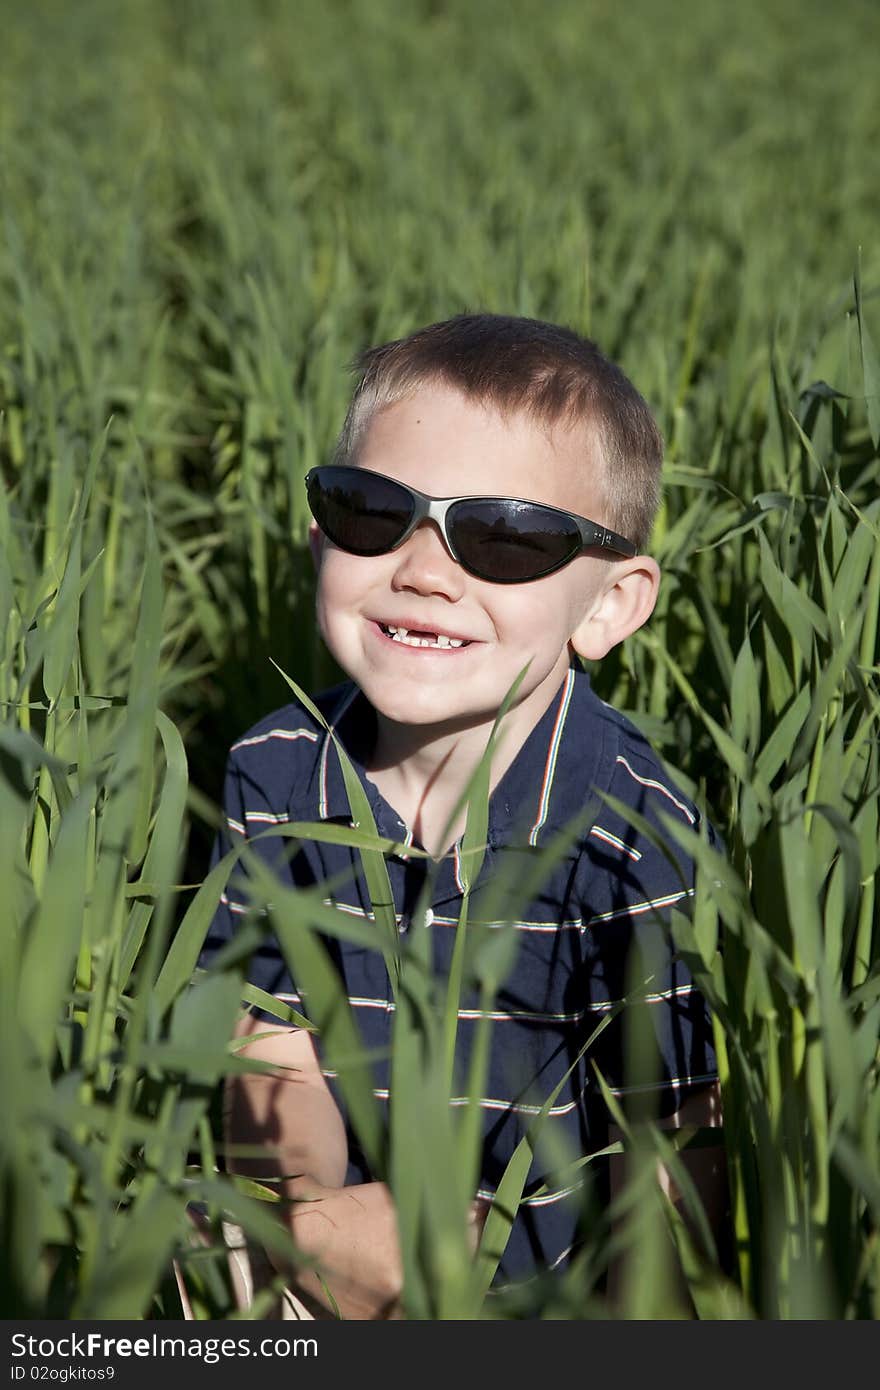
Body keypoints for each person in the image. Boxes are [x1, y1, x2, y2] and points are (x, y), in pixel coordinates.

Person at [199, 313, 726, 1320]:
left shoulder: (635, 827)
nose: (425, 570)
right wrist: (301, 1229)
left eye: (506, 537)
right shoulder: (275, 772)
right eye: (371, 511)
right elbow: (272, 1045)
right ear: (320, 535)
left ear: (609, 606)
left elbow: (672, 1139)